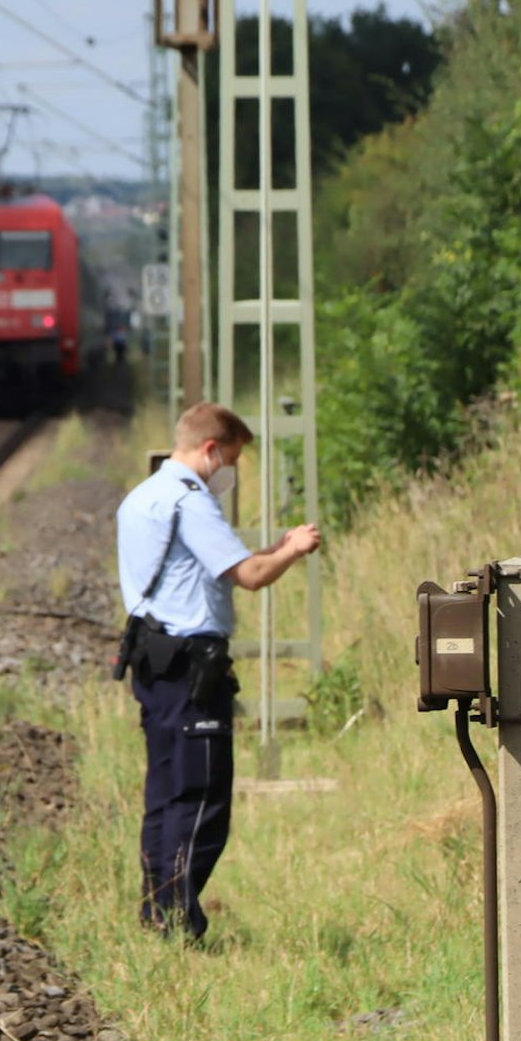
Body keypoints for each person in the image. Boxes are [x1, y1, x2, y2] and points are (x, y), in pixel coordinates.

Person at [113, 401, 322, 940]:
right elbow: (250, 575)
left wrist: (274, 548)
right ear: (211, 449)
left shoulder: (142, 497)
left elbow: (217, 567)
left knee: (164, 794)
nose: (231, 471)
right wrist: (294, 549)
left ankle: (156, 912)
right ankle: (180, 920)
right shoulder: (191, 502)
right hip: (191, 668)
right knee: (202, 796)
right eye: (231, 458)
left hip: (154, 662)